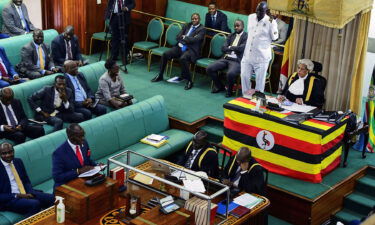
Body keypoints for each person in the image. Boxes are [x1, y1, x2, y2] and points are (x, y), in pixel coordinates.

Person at [151, 13, 206, 90]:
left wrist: (185, 37)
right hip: (180, 47)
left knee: (183, 58)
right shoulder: (187, 25)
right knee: (165, 54)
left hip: (191, 50)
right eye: (193, 18)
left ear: (199, 19)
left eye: (196, 19)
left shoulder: (202, 29)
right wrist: (187, 38)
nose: (194, 20)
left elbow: (196, 40)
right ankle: (160, 75)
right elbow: (178, 36)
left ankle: (189, 81)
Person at [0, 142, 54, 217]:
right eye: (4, 153)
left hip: (26, 192)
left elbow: (26, 181)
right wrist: (18, 195)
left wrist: (30, 192)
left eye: (10, 152)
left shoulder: (18, 161)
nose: (8, 155)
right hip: (10, 199)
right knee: (35, 204)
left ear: (13, 151)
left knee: (52, 198)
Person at [240, 1, 278, 95]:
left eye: (261, 11)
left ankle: (257, 102)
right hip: (248, 55)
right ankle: (246, 98)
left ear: (266, 11)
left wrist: (272, 21)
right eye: (257, 10)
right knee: (244, 76)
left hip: (261, 58)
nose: (258, 13)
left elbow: (275, 37)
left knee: (259, 83)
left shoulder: (270, 21)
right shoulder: (251, 17)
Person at [206, 19, 248, 97]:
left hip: (236, 60)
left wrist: (230, 47)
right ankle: (219, 86)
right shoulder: (231, 35)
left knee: (230, 73)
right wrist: (233, 48)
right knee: (209, 68)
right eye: (235, 26)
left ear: (243, 26)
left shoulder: (246, 36)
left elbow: (241, 48)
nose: (236, 28)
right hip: (226, 58)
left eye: (238, 26)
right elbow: (223, 48)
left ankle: (229, 90)